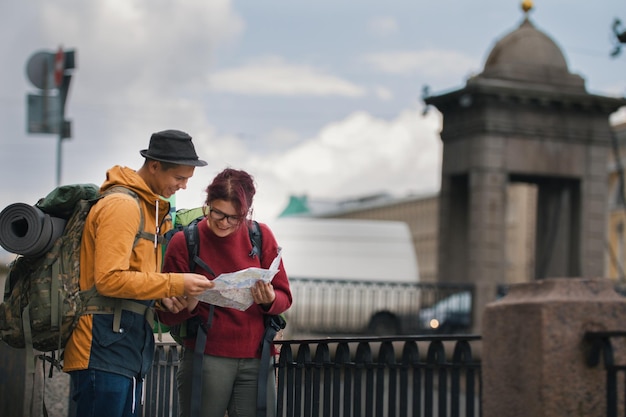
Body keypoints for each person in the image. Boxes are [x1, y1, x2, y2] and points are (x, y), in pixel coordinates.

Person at [63, 129, 216, 417]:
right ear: (155, 165)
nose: (183, 186)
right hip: (101, 344)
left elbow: (134, 278)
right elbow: (109, 279)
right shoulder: (122, 206)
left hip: (123, 343)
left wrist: (163, 298)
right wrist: (174, 283)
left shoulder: (148, 207)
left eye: (187, 179)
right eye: (179, 178)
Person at [158, 168, 292, 417]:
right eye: (217, 212)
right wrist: (187, 303)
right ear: (207, 203)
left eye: (234, 217)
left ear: (246, 213)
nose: (224, 222)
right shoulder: (185, 242)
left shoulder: (261, 236)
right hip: (204, 356)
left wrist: (270, 299)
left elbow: (285, 297)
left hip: (256, 357)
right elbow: (165, 316)